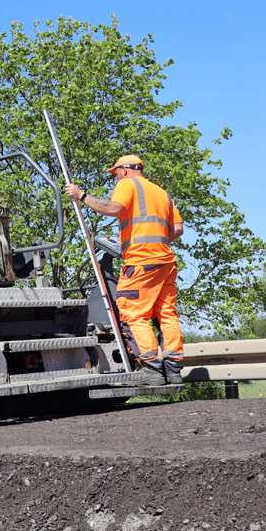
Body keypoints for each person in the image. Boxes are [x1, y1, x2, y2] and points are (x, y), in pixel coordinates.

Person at [64, 155, 185, 384]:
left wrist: (82, 196)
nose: (115, 177)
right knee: (167, 313)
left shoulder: (127, 184)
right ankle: (173, 369)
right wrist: (155, 240)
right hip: (165, 262)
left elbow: (113, 208)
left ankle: (151, 368)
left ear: (127, 170)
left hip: (141, 261)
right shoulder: (161, 192)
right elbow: (177, 229)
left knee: (133, 313)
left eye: (116, 172)